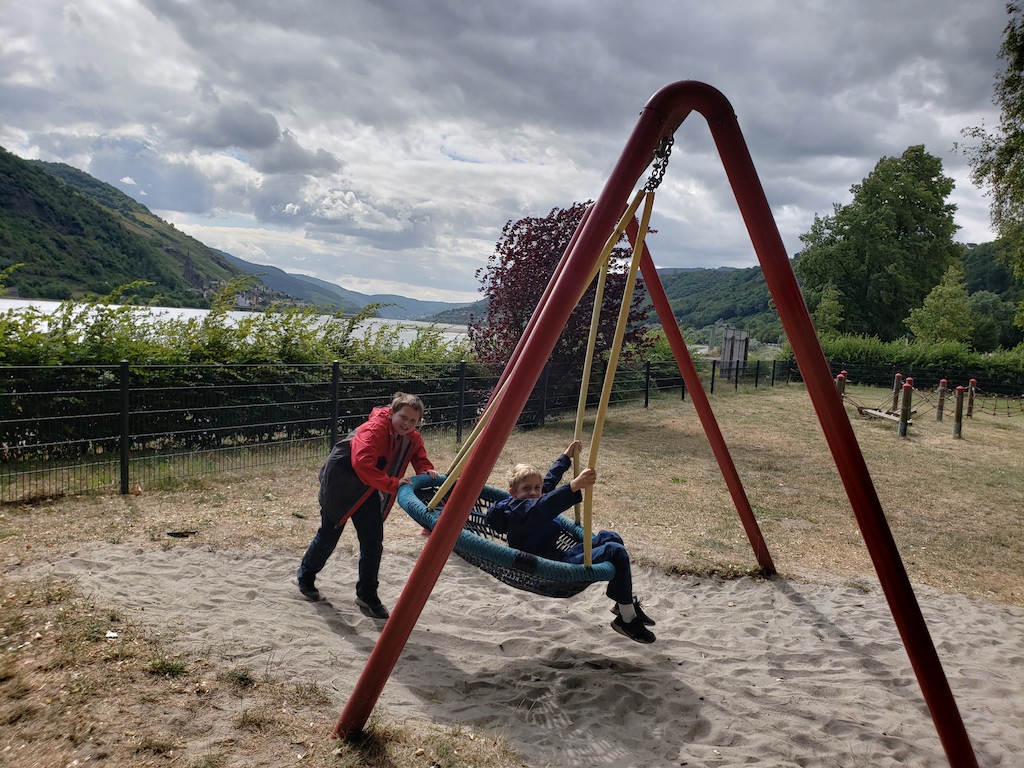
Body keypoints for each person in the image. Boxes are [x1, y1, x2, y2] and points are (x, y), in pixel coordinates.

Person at [485, 441, 656, 643]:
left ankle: (623, 604)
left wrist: (566, 456)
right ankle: (627, 619)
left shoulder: (534, 497)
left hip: (558, 558)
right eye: (526, 488)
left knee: (611, 537)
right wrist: (574, 485)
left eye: (536, 488)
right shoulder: (517, 510)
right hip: (545, 569)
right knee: (615, 551)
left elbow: (550, 481)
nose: (533, 492)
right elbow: (541, 506)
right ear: (513, 492)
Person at [296, 392, 438, 619]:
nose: (407, 424)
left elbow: (418, 455)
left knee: (373, 540)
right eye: (403, 417)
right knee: (329, 534)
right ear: (392, 413)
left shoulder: (411, 436)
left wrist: (425, 470)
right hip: (341, 481)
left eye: (413, 421)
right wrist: (392, 484)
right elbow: (361, 463)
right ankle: (306, 577)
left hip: (369, 486)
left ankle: (367, 594)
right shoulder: (374, 429)